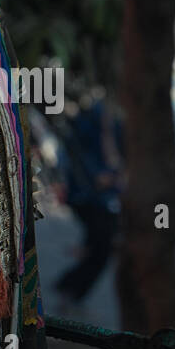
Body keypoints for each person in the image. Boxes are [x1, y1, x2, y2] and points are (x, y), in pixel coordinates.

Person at [54, 93, 124, 305]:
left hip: (103, 198)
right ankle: (69, 287)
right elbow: (76, 158)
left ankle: (70, 288)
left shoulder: (116, 128)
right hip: (88, 197)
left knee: (100, 247)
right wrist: (97, 177)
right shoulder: (88, 126)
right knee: (101, 246)